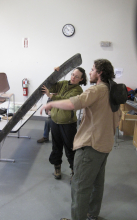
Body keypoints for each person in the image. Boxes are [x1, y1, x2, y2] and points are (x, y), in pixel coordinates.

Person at [40, 59, 121, 220]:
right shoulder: (113, 90)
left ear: (100, 73)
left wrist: (51, 104)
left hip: (91, 146)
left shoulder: (97, 90)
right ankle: (92, 214)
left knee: (80, 186)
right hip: (104, 144)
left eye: (92, 70)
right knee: (97, 184)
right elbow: (116, 119)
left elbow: (73, 104)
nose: (90, 72)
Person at [41, 67, 87, 180]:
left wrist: (51, 96)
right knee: (56, 147)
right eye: (72, 74)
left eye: (77, 77)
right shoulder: (63, 83)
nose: (73, 78)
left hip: (68, 124)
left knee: (70, 148)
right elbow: (50, 85)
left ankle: (74, 171)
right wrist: (56, 74)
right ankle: (57, 168)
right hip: (55, 121)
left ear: (81, 79)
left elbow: (67, 100)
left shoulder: (78, 91)